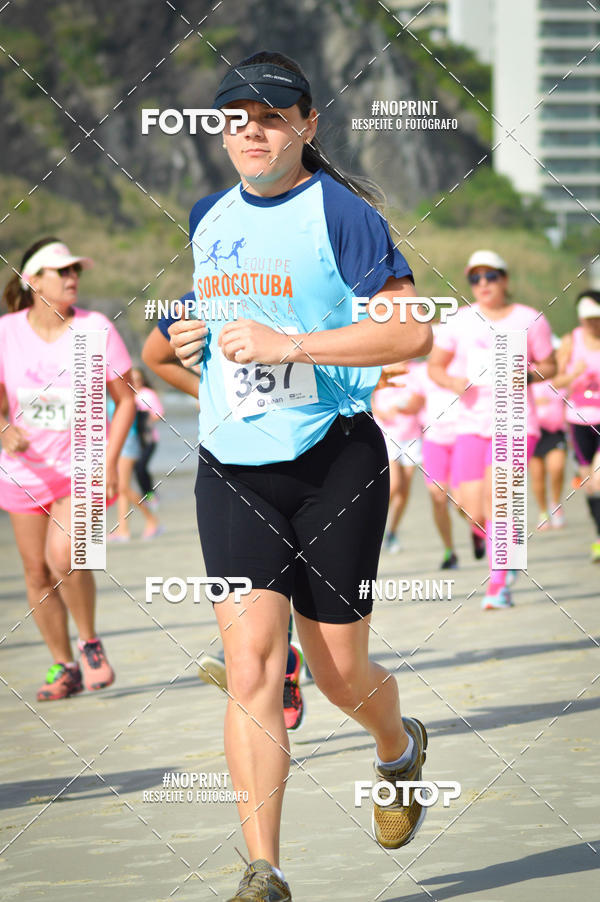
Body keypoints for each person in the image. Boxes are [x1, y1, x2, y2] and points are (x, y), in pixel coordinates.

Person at [167, 51, 432, 902]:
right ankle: (264, 871)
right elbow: (201, 329)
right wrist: (183, 344)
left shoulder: (343, 215)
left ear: (308, 126)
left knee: (338, 674)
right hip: (233, 467)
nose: (251, 129)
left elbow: (408, 336)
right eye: (235, 116)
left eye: (272, 115)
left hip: (333, 462)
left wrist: (294, 346)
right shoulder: (209, 217)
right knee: (249, 666)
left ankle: (398, 747)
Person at [142, 294, 306, 731]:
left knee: (317, 611)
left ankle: (286, 660)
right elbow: (154, 356)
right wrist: (209, 394)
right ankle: (280, 665)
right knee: (259, 594)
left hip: (317, 462)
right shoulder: (203, 294)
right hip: (235, 467)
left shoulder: (305, 280)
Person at [0, 238, 135, 700]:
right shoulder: (6, 331)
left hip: (84, 466)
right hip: (22, 470)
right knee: (36, 572)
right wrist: (3, 427)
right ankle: (63, 666)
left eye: (76, 271)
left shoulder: (94, 328)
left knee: (69, 556)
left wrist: (111, 459)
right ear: (32, 280)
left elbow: (125, 401)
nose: (73, 278)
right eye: (62, 272)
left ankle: (90, 642)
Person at [428, 250, 556, 610]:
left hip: (515, 421)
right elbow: (435, 367)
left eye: (491, 276)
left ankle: (497, 586)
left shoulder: (529, 319)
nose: (483, 284)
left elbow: (551, 364)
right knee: (471, 509)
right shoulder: (460, 321)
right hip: (471, 423)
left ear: (505, 279)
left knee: (498, 501)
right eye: (475, 278)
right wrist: (453, 381)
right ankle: (506, 547)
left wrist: (526, 375)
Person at [555, 292, 600, 561]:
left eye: (596, 319)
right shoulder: (571, 341)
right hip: (578, 420)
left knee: (599, 477)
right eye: (587, 319)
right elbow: (556, 380)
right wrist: (574, 374)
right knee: (591, 484)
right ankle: (598, 534)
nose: (592, 324)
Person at [371, 362, 424, 553]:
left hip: (411, 435)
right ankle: (371, 529)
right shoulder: (380, 365)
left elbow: (420, 401)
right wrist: (381, 412)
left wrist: (406, 407)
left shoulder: (417, 369)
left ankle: (392, 532)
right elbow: (368, 395)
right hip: (387, 433)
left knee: (404, 490)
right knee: (393, 485)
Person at [107, 391, 162, 541]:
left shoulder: (127, 397)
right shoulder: (111, 396)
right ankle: (123, 530)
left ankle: (152, 520)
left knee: (122, 486)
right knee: (122, 490)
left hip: (127, 443)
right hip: (115, 443)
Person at [530, 355, 567, 531]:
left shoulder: (555, 374)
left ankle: (555, 503)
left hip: (555, 431)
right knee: (537, 476)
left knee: (557, 467)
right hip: (534, 431)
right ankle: (543, 511)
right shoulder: (527, 374)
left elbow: (565, 392)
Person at [131, 367, 164, 508]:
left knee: (141, 467)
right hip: (134, 439)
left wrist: (146, 420)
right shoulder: (129, 394)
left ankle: (151, 496)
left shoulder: (148, 394)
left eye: (138, 379)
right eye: (132, 379)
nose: (135, 382)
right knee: (137, 469)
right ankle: (147, 495)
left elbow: (159, 413)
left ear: (143, 379)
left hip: (149, 439)